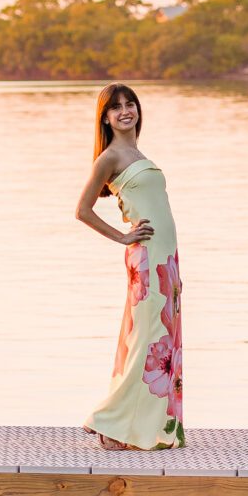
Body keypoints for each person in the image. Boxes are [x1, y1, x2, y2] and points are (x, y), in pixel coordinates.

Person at [74, 83, 184, 449]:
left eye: (130, 104)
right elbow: (82, 210)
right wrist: (123, 237)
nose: (125, 111)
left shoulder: (137, 152)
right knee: (146, 340)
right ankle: (109, 423)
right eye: (116, 107)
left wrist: (175, 270)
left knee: (160, 340)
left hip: (165, 258)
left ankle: (142, 426)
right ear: (105, 117)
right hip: (147, 256)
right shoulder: (109, 157)